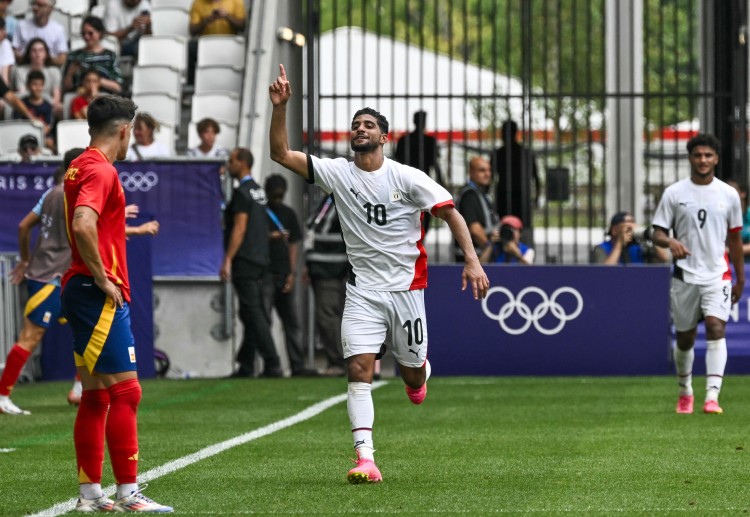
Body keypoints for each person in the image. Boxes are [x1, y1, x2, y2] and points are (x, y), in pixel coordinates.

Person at [269, 63, 489, 483]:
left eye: (368, 125)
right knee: (359, 370)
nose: (360, 129)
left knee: (411, 375)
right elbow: (281, 154)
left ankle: (418, 373)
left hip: (406, 290)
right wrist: (280, 107)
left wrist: (472, 260)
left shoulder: (406, 177)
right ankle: (365, 459)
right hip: (363, 291)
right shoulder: (337, 173)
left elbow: (451, 213)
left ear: (384, 137)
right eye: (356, 125)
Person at [61, 94, 173, 512]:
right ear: (125, 130)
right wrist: (102, 277)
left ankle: (90, 494)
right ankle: (129, 493)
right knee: (127, 392)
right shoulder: (102, 169)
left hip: (79, 288)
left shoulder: (79, 165)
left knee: (96, 397)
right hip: (96, 293)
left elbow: (92, 222)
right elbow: (83, 223)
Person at [651, 133, 744, 416]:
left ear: (716, 159)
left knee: (716, 327)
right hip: (685, 276)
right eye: (698, 155)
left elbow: (735, 240)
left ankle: (712, 397)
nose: (703, 160)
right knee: (685, 338)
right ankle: (685, 392)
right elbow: (657, 233)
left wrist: (740, 278)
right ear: (690, 158)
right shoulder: (674, 193)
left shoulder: (728, 194)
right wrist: (670, 241)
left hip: (718, 275)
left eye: (708, 155)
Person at [0, 148, 83, 416]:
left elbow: (24, 226)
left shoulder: (50, 194)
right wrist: (132, 228)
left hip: (56, 274)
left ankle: (80, 390)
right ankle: (2, 396)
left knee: (86, 328)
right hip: (51, 276)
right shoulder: (72, 195)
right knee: (30, 336)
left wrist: (26, 259)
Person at [220, 148, 282, 378]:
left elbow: (240, 227)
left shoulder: (242, 193)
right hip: (261, 258)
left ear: (243, 163)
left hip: (245, 259)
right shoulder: (258, 191)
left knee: (253, 312)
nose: (229, 165)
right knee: (250, 312)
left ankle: (272, 362)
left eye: (232, 161)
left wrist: (228, 258)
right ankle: (246, 364)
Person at [263, 174, 317, 377]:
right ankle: (271, 364)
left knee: (291, 322)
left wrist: (291, 273)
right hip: (267, 273)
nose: (278, 199)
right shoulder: (261, 213)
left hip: (283, 272)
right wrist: (271, 237)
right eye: (275, 195)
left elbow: (294, 244)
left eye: (280, 195)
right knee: (266, 321)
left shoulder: (288, 214)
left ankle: (296, 364)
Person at [304, 194, 348, 377]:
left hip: (332, 269)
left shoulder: (343, 199)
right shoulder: (328, 200)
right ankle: (342, 361)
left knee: (328, 315)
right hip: (324, 269)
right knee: (331, 315)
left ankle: (339, 362)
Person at [393, 110, 443, 234]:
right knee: (425, 213)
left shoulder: (404, 140)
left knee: (406, 214)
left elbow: (396, 162)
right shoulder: (429, 140)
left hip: (405, 183)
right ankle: (421, 238)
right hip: (423, 182)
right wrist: (442, 183)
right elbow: (435, 164)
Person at [491, 120, 540, 245]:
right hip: (518, 197)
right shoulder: (526, 153)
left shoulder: (498, 153)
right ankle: (523, 250)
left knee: (505, 228)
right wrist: (536, 197)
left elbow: (489, 179)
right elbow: (536, 178)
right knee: (521, 229)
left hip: (506, 196)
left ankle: (507, 250)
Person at [63, 16, 124, 95]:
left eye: (90, 33)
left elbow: (118, 87)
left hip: (103, 96)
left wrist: (94, 81)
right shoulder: (74, 56)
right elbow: (66, 87)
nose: (86, 37)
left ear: (100, 33)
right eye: (83, 33)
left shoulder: (110, 56)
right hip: (79, 96)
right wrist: (70, 73)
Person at [455, 156, 497, 263]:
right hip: (475, 258)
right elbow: (475, 229)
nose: (487, 174)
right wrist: (491, 250)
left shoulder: (481, 193)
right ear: (471, 172)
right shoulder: (469, 195)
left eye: (489, 170)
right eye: (482, 170)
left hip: (479, 256)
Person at [591, 211, 669, 265]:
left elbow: (664, 259)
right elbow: (604, 273)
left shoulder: (639, 247)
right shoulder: (602, 248)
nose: (632, 227)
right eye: (628, 224)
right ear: (614, 230)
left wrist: (650, 236)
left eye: (633, 223)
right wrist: (619, 244)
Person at [11, 38, 62, 118]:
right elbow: (22, 94)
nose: (38, 54)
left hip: (49, 106)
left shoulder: (54, 71)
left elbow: (56, 98)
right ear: (28, 54)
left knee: (60, 108)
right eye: (34, 51)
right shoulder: (19, 71)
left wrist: (44, 103)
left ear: (46, 54)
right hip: (26, 105)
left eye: (41, 50)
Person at [12, 0, 68, 67]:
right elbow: (14, 51)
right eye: (33, 4)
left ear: (50, 9)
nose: (35, 7)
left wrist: (45, 59)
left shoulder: (58, 29)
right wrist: (30, 59)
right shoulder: (21, 26)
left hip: (48, 68)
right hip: (25, 67)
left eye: (40, 5)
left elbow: (62, 58)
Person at [13, 69, 54, 150]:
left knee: (50, 143)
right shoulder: (21, 104)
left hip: (42, 135)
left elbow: (48, 126)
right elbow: (16, 124)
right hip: (23, 135)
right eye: (34, 84)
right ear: (28, 86)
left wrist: (37, 135)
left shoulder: (48, 106)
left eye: (40, 85)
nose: (37, 88)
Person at [726, 179, 750, 262]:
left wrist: (731, 250)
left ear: (743, 194)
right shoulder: (722, 214)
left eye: (732, 191)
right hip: (725, 264)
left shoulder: (748, 215)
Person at [0, 17, 15, 85]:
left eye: (4, 29)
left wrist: (5, 90)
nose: (5, 33)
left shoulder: (5, 43)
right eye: (1, 30)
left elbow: (5, 73)